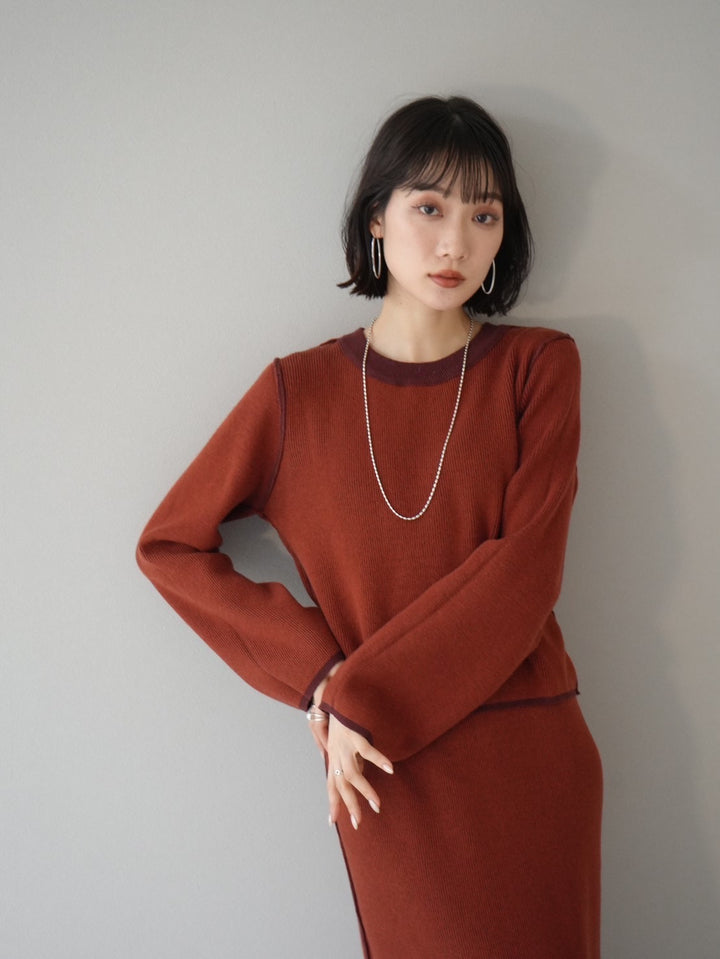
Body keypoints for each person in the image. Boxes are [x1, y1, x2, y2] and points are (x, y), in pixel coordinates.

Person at [136, 95, 603, 958]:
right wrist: (320, 677)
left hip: (523, 752)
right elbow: (169, 545)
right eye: (429, 207)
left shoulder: (538, 367)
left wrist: (356, 698)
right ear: (377, 218)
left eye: (484, 215)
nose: (455, 243)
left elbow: (527, 572)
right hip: (382, 764)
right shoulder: (297, 393)